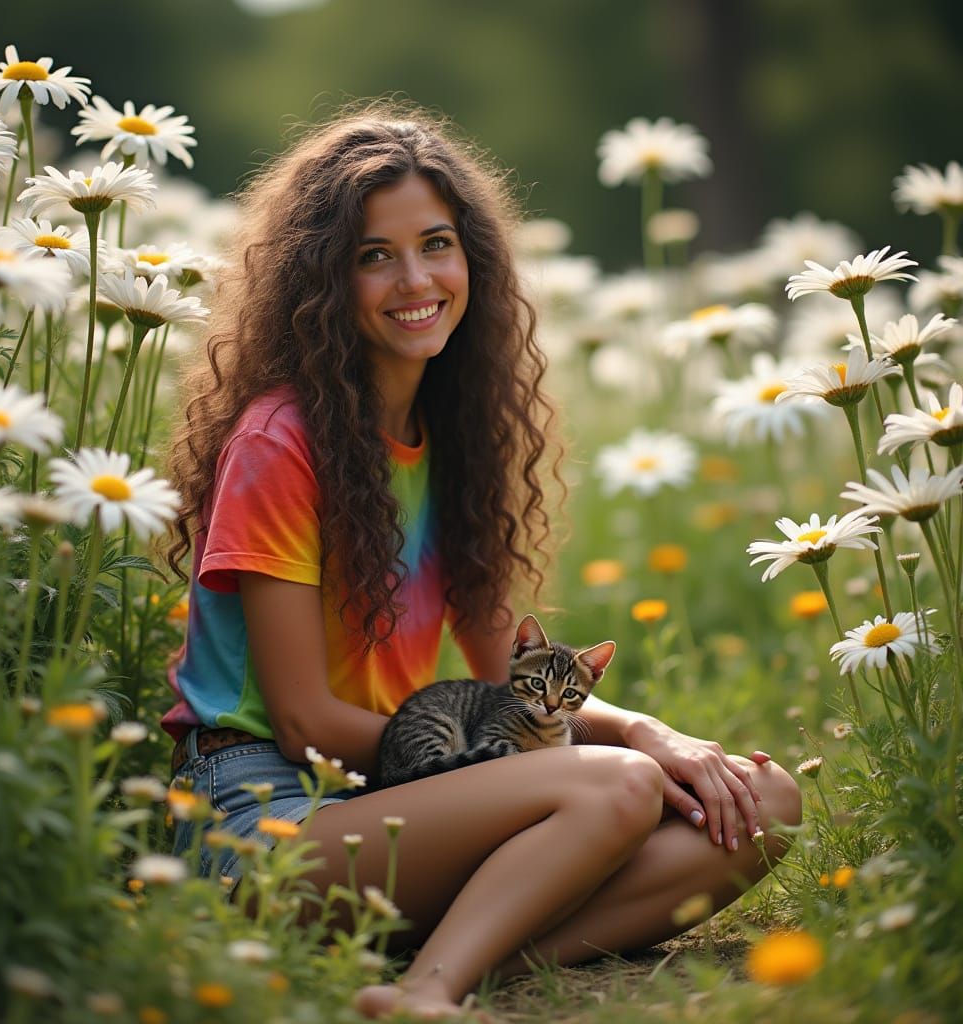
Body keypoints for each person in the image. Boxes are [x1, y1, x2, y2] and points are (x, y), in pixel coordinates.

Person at [163, 102, 802, 1020]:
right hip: (269, 818)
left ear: (475, 259)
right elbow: (302, 721)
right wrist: (498, 768)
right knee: (611, 791)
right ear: (321, 280)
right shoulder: (281, 440)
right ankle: (431, 987)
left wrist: (651, 735)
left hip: (403, 799)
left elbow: (508, 673)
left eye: (436, 243)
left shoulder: (454, 438)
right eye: (372, 255)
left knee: (762, 802)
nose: (415, 278)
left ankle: (467, 946)